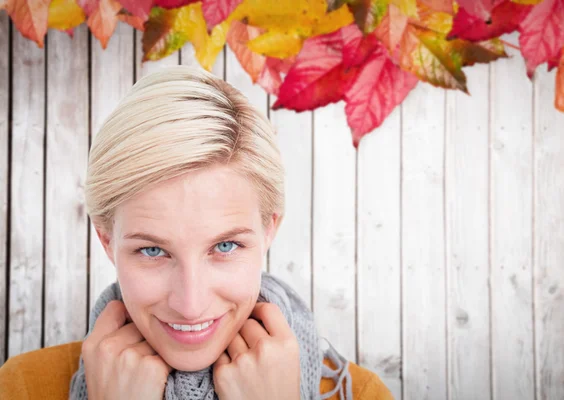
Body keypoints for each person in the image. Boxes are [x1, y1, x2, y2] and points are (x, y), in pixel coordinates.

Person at [0, 66, 393, 399]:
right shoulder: (21, 386)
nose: (190, 305)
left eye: (225, 245)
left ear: (269, 230)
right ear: (107, 240)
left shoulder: (357, 392)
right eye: (153, 251)